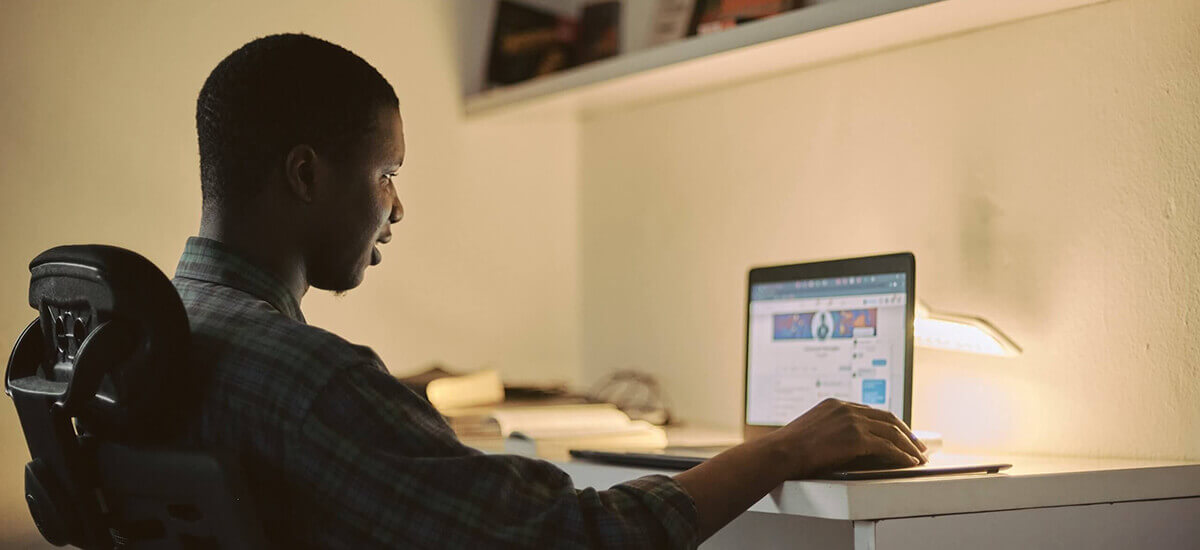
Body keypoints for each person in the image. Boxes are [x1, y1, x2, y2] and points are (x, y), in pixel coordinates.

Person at [173, 33, 927, 549]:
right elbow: (575, 537)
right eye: (387, 176)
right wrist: (784, 449)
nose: (397, 208)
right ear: (306, 175)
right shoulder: (315, 383)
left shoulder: (168, 329)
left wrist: (395, 422)